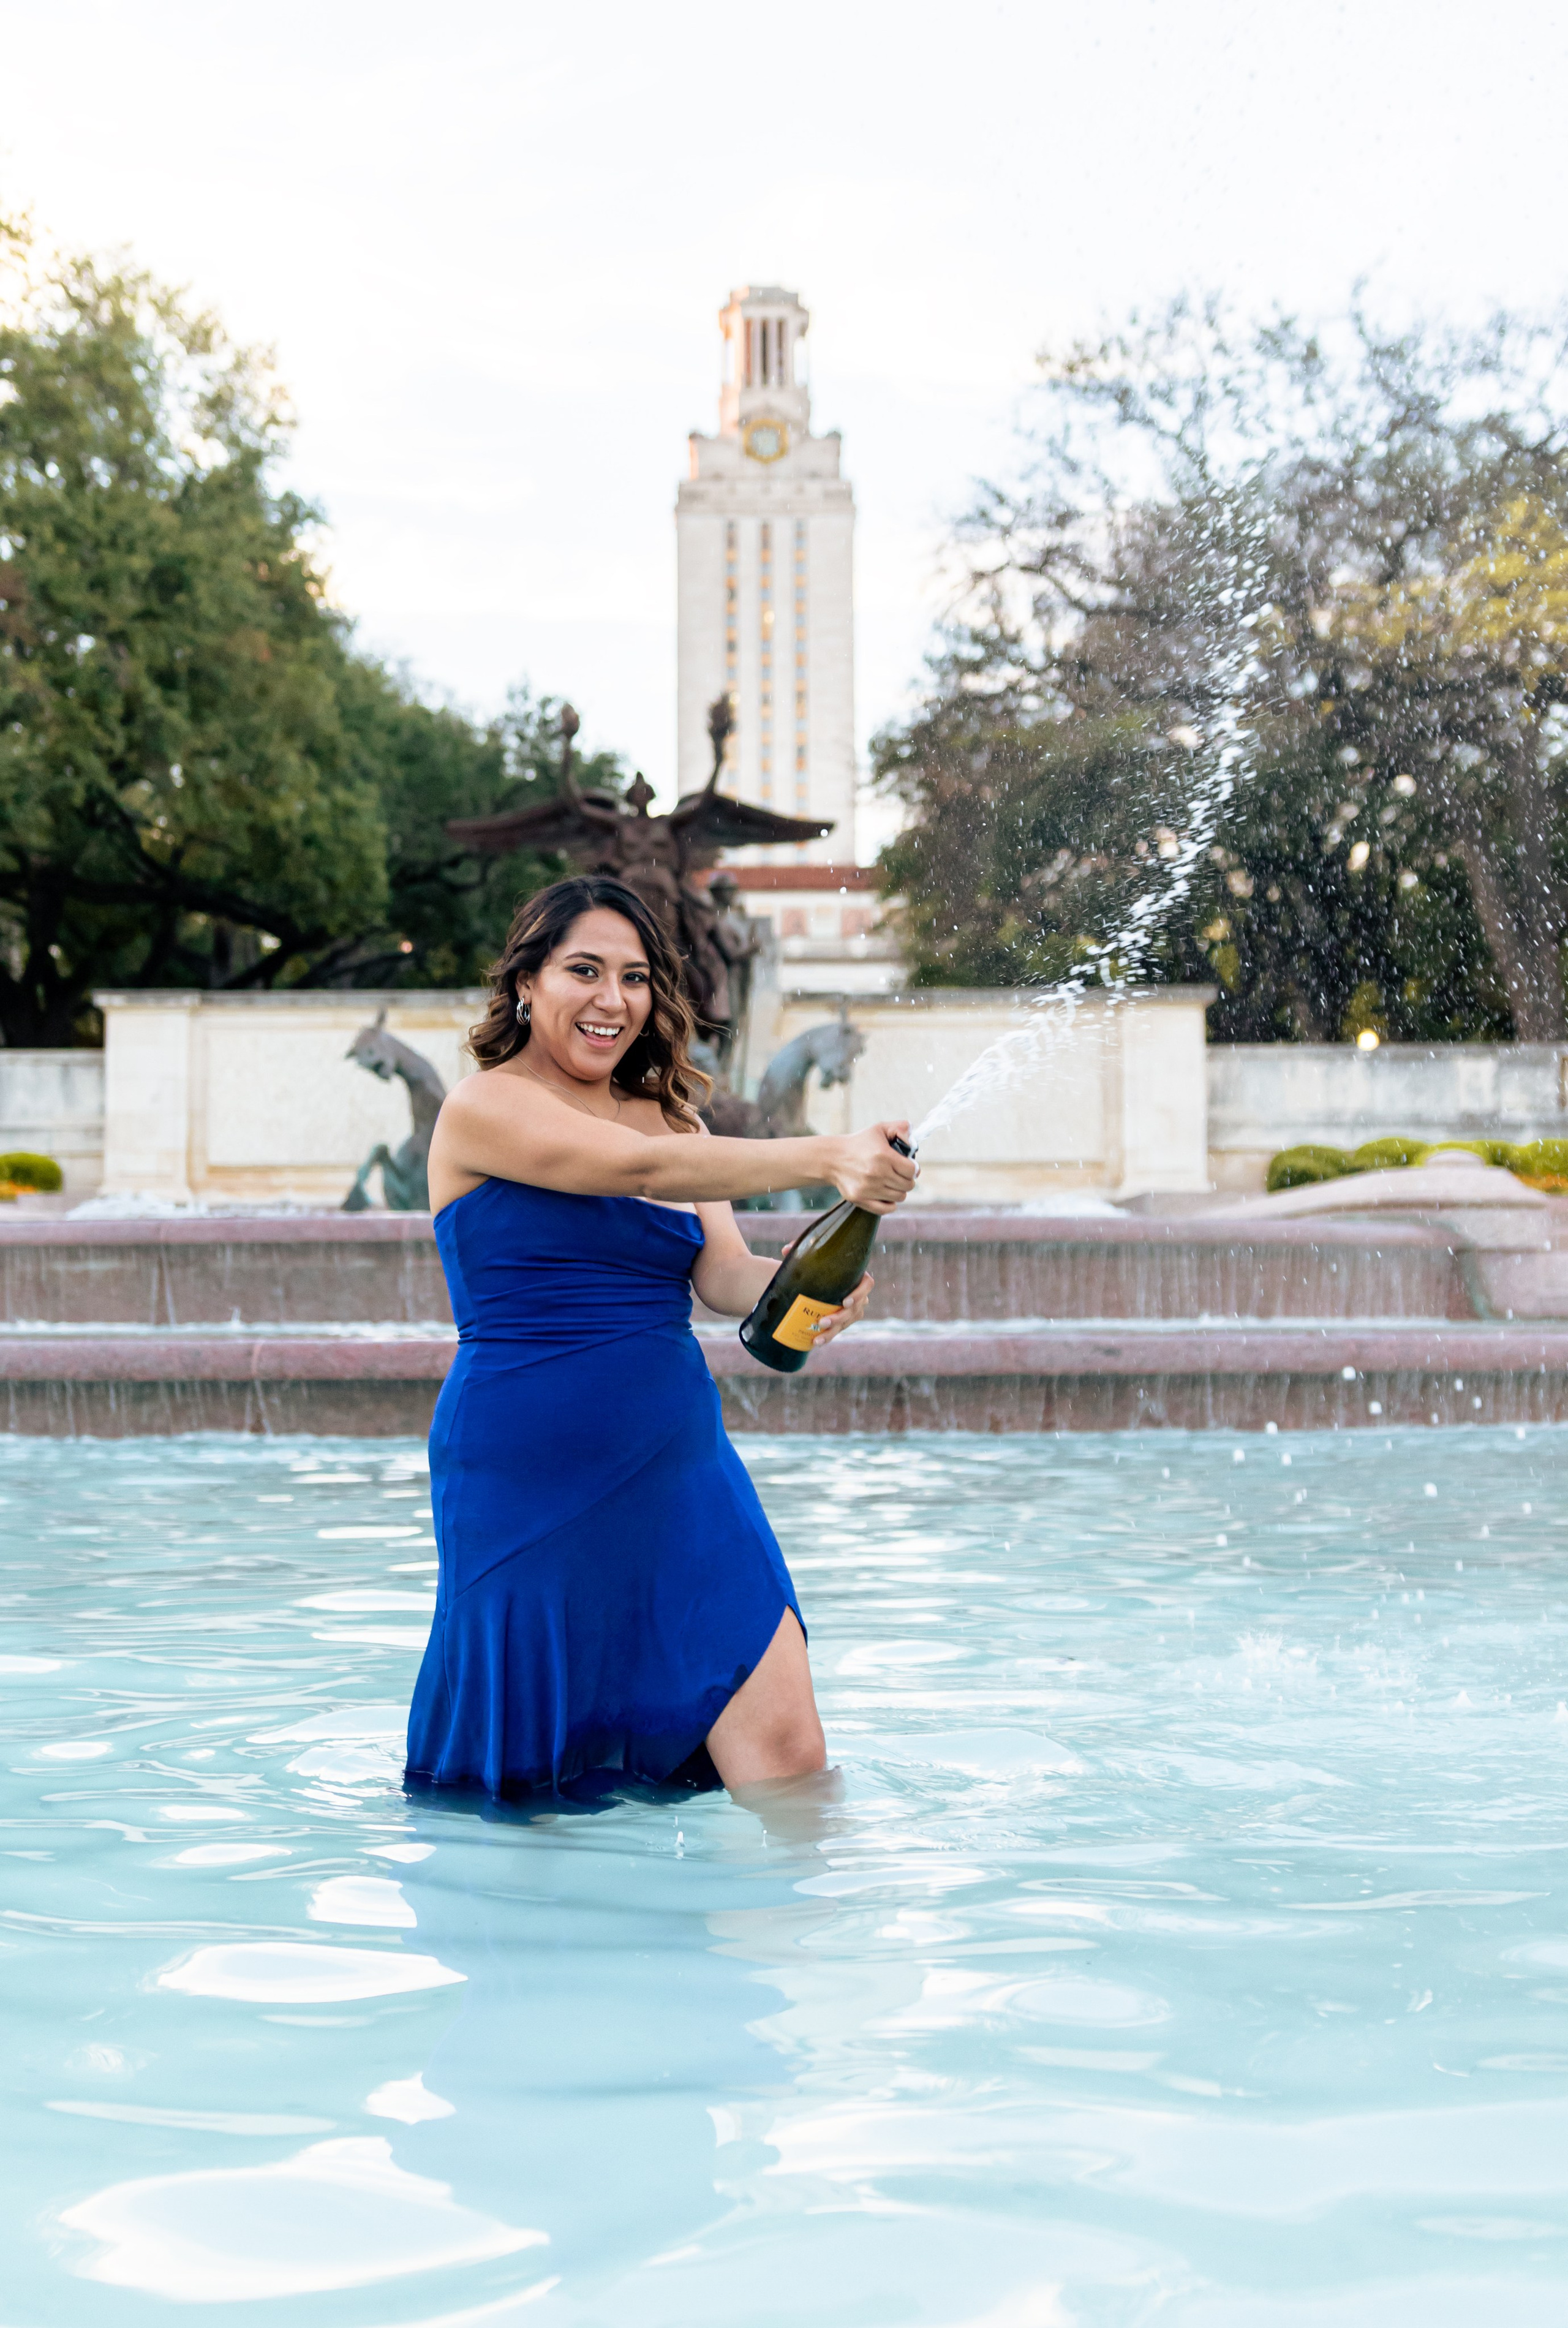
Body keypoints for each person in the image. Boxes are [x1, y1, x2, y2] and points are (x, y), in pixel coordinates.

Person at [405, 873, 916, 1803]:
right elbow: (635, 1172)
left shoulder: (675, 1117)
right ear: (527, 981)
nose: (613, 1000)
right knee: (536, 1786)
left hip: (679, 1463)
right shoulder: (482, 1107)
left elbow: (722, 1273)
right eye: (585, 970)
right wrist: (826, 1153)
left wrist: (804, 1284)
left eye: (635, 977)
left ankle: (806, 1940)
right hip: (525, 1471)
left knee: (790, 1752)